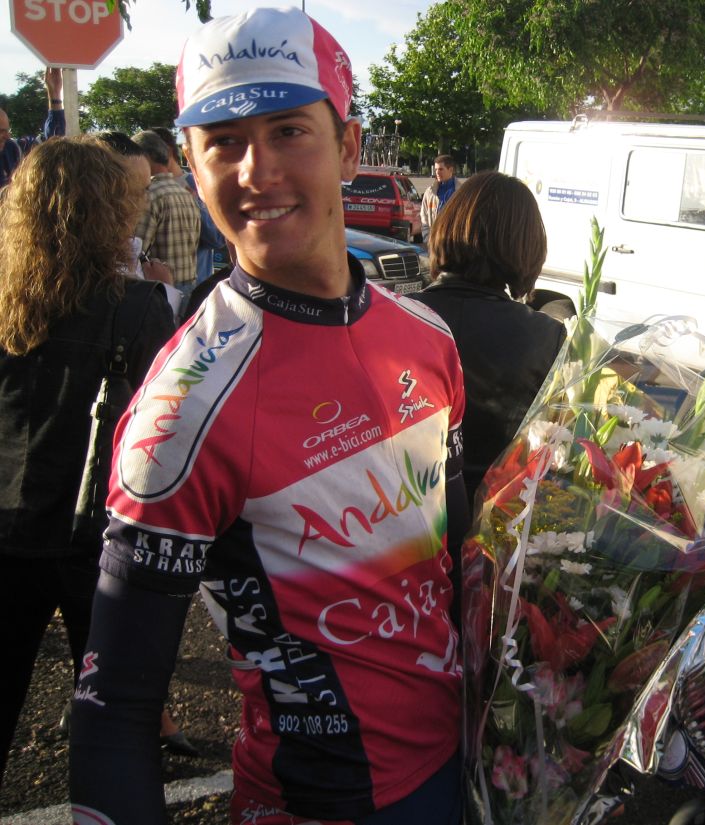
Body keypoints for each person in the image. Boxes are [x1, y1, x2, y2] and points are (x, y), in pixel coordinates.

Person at [69, 8, 467, 825]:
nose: (257, 170)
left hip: (471, 765)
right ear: (190, 164)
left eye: (289, 130)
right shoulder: (182, 409)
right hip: (320, 805)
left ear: (349, 146)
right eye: (224, 141)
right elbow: (113, 713)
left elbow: (460, 560)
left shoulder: (427, 336)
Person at [0, 136, 176, 786]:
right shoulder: (138, 307)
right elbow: (165, 436)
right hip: (99, 538)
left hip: (9, 525)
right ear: (107, 213)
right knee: (116, 722)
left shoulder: (7, 300)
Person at [412, 170, 566, 509]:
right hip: (496, 520)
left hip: (399, 515)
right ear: (527, 247)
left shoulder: (396, 317)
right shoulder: (546, 335)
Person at [130, 129, 202, 305]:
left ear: (145, 157)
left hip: (161, 288)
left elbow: (135, 250)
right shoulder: (186, 193)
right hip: (190, 284)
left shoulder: (150, 196)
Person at [151, 125, 227, 288]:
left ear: (166, 151)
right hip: (159, 288)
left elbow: (218, 239)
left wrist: (195, 202)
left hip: (197, 285)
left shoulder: (198, 184)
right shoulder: (148, 188)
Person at [0, 67, 65, 187]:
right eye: (1, 131)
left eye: (7, 131)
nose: (7, 136)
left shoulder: (12, 150)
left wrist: (55, 95)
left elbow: (52, 144)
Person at [420, 154, 461, 239]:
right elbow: (424, 217)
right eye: (436, 169)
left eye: (441, 169)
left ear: (451, 170)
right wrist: (427, 238)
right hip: (434, 241)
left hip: (455, 241)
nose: (437, 172)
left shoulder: (461, 192)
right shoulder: (430, 192)